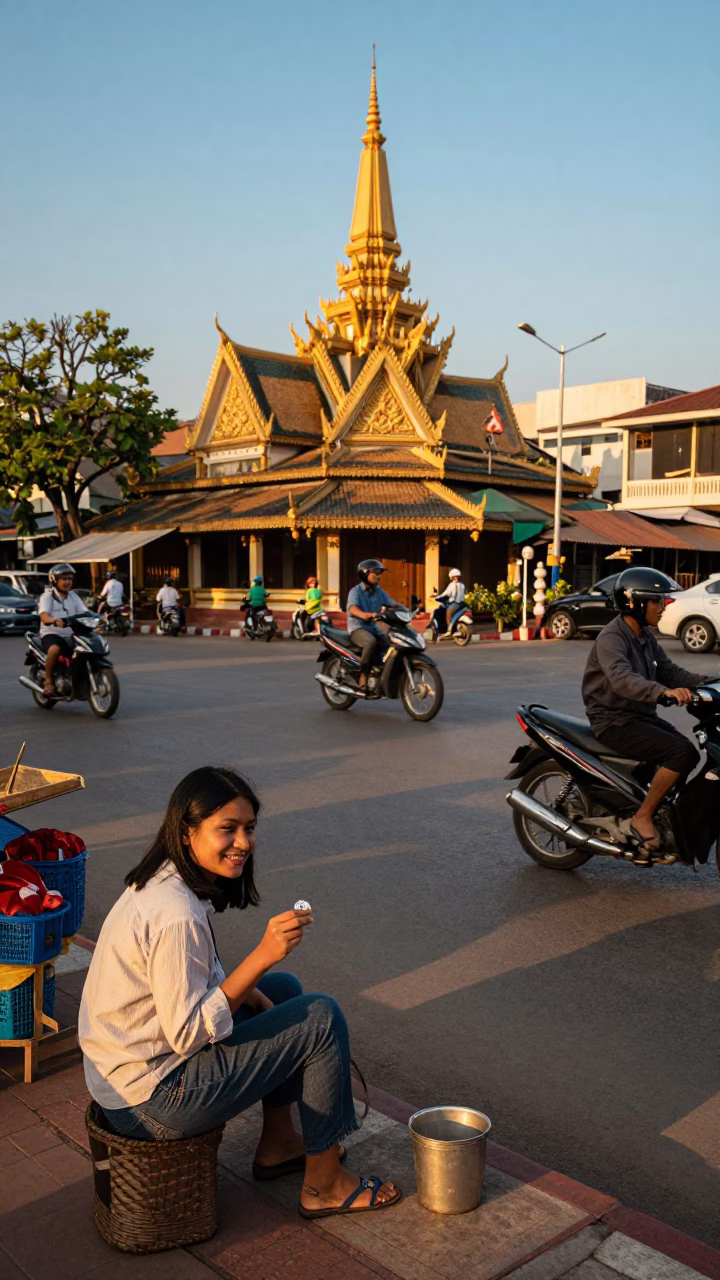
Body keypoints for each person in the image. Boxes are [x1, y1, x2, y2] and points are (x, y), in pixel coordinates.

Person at [78, 766, 400, 1220]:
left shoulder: (163, 881)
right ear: (187, 832)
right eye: (226, 829)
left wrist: (262, 996)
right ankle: (325, 1184)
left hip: (129, 1078)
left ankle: (279, 1144)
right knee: (320, 1018)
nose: (243, 843)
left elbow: (196, 981)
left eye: (248, 828)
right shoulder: (175, 914)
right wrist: (262, 956)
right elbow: (188, 1034)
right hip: (151, 1104)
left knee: (284, 992)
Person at [582, 566, 706, 863]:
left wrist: (710, 683)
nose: (663, 606)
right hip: (613, 720)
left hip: (639, 715)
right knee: (682, 754)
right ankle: (643, 816)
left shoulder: (645, 637)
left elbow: (670, 671)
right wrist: (663, 693)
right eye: (657, 601)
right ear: (636, 603)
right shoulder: (612, 638)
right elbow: (622, 679)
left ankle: (660, 811)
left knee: (687, 754)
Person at [346, 560, 402, 691]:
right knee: (370, 642)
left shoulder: (379, 591)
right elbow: (352, 609)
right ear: (365, 573)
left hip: (372, 628)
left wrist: (405, 610)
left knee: (390, 643)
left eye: (379, 573)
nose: (378, 576)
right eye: (375, 573)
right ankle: (363, 675)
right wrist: (363, 614)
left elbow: (392, 604)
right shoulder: (355, 591)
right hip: (358, 628)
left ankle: (381, 672)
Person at [37, 563, 87, 697]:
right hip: (52, 633)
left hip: (71, 635)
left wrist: (97, 619)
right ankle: (48, 681)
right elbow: (44, 616)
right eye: (64, 579)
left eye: (70, 579)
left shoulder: (73, 597)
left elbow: (85, 613)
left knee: (86, 650)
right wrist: (54, 620)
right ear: (54, 580)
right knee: (54, 649)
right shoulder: (47, 597)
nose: (67, 582)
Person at [430, 568, 466, 641]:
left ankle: (449, 630)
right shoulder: (462, 585)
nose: (455, 578)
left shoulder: (452, 585)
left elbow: (446, 593)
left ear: (451, 577)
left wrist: (437, 596)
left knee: (448, 613)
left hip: (455, 603)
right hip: (463, 604)